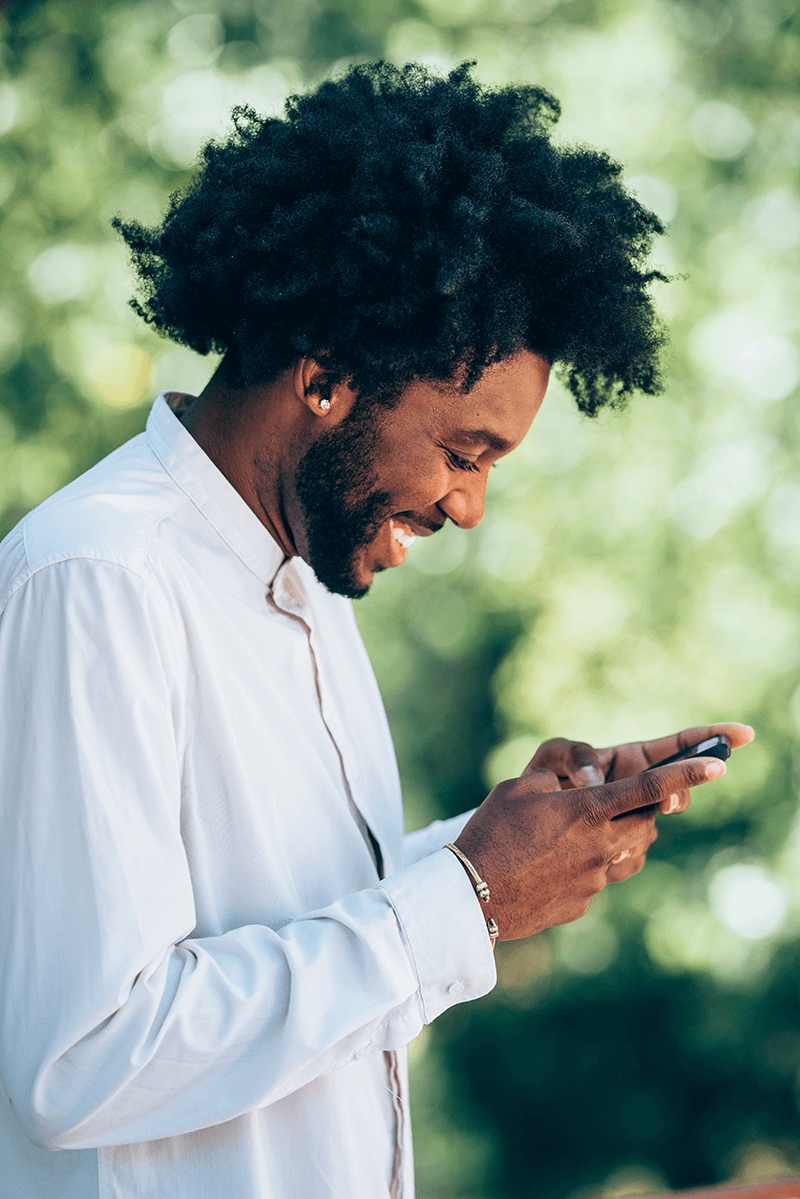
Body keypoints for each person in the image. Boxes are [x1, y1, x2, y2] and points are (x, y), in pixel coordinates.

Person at [0, 61, 752, 1199]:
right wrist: (465, 898)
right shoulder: (99, 579)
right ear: (327, 376)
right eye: (463, 452)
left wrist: (496, 847)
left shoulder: (300, 573)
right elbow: (85, 1053)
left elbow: (271, 923)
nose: (468, 508)